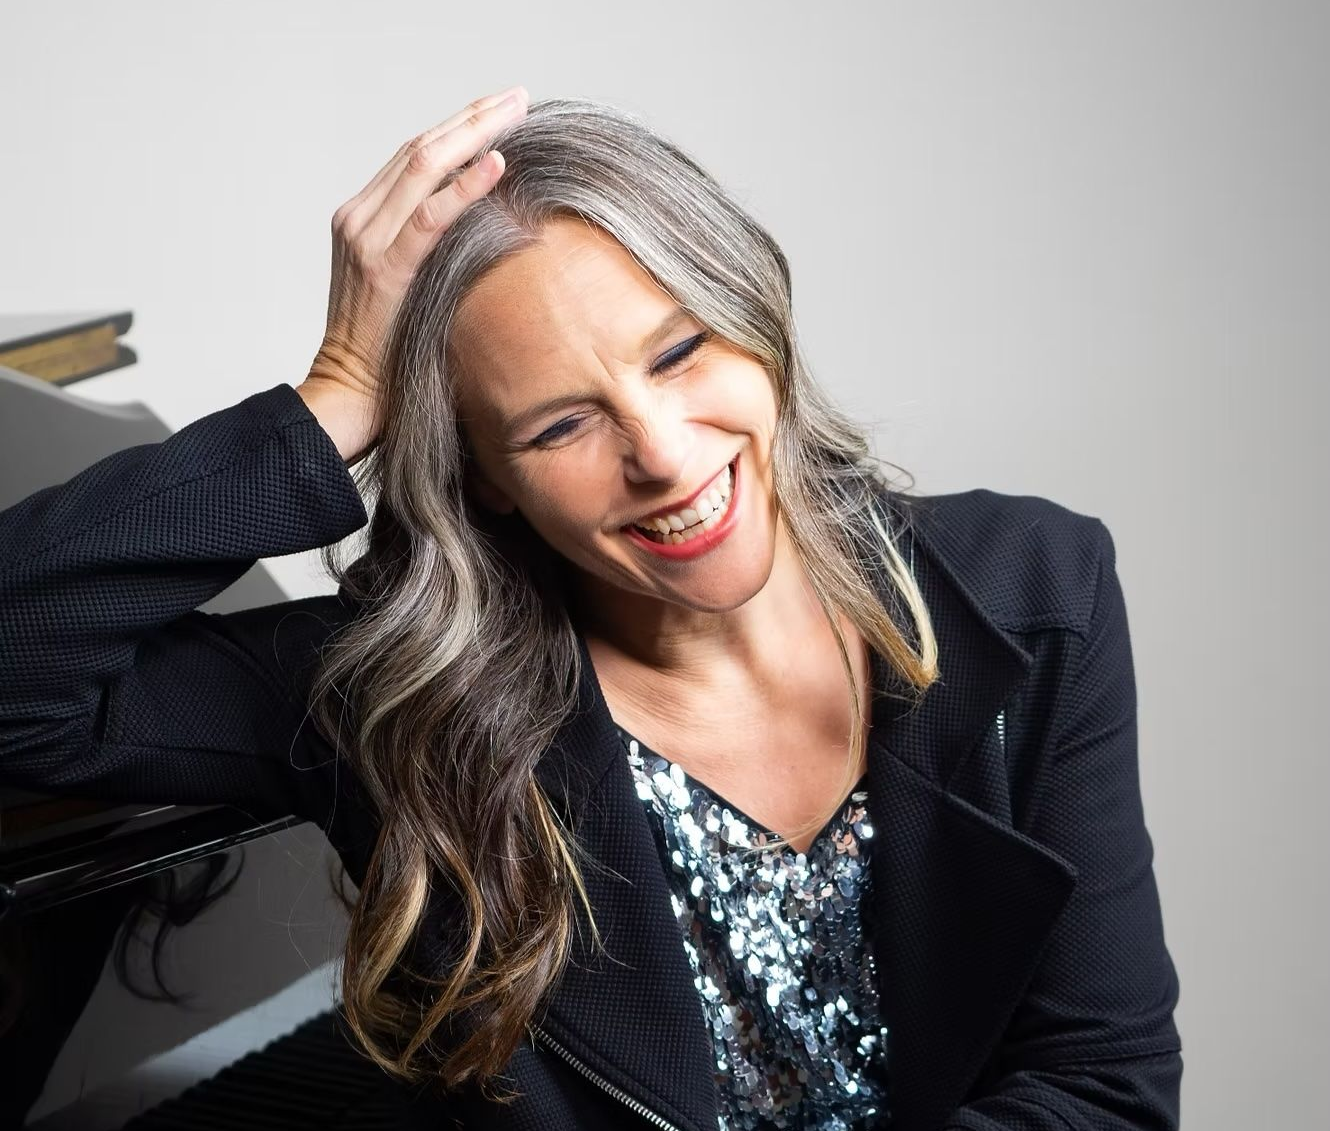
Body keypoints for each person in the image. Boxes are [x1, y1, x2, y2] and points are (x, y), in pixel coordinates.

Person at [0, 87, 1183, 1130]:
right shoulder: (398, 695)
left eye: (679, 352)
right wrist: (337, 399)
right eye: (559, 425)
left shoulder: (1032, 589)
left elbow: (1100, 1084)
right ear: (487, 483)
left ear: (756, 320)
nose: (664, 458)